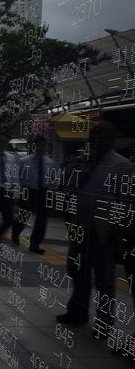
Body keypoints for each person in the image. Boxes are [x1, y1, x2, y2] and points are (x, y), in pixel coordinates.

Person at [58, 122, 133, 342]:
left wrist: (120, 231)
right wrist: (75, 169)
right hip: (80, 226)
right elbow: (66, 189)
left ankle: (104, 322)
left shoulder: (121, 166)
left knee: (104, 279)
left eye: (99, 136)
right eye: (92, 136)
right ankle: (77, 310)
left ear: (110, 140)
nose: (94, 140)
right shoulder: (82, 162)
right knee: (77, 269)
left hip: (104, 232)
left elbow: (126, 202)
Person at [11, 136, 53, 254]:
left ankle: (35, 244)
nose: (42, 148)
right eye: (39, 146)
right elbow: (17, 178)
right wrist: (17, 193)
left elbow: (53, 181)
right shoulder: (24, 161)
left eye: (44, 146)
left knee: (42, 220)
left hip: (43, 192)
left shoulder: (50, 162)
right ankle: (15, 233)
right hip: (29, 191)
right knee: (24, 216)